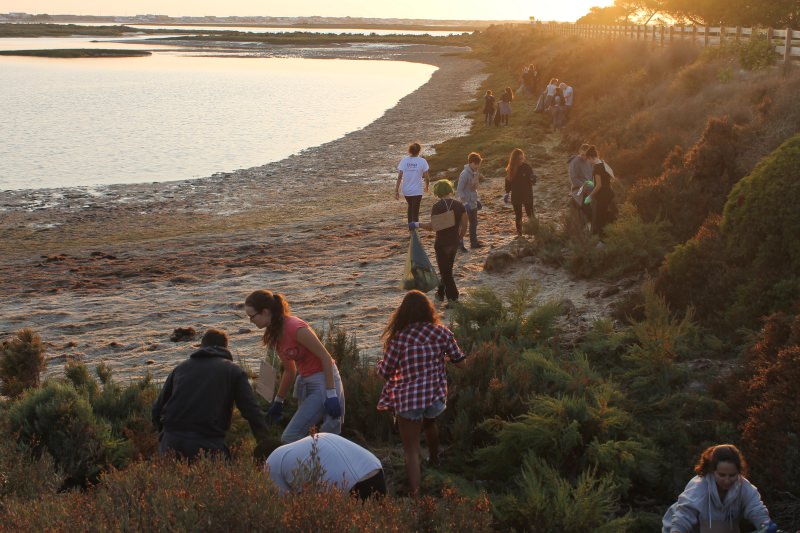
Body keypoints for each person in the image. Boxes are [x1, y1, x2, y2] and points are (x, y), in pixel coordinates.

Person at [377, 290, 466, 496]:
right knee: (430, 423)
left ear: (403, 313)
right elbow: (460, 362)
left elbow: (386, 372)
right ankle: (435, 459)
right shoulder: (441, 332)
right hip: (434, 397)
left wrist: (377, 366)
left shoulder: (400, 339)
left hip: (409, 401)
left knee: (410, 449)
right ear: (429, 310)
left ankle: (416, 494)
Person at [244, 290, 345, 443]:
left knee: (294, 437)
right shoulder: (275, 334)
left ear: (264, 312)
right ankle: (313, 465)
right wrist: (279, 401)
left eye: (251, 316)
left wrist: (331, 394)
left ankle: (322, 465)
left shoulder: (295, 328)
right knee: (305, 436)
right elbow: (290, 371)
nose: (251, 321)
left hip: (324, 381)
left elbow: (325, 357)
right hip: (306, 382)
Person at [152, 328, 268, 461]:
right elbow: (251, 411)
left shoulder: (180, 368)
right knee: (218, 481)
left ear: (201, 346)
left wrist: (163, 435)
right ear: (226, 347)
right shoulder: (233, 371)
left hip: (170, 441)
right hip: (208, 443)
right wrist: (264, 442)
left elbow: (157, 409)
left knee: (171, 481)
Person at [662, 444, 775, 533]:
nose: (727, 480)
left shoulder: (743, 486)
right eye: (722, 475)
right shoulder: (699, 487)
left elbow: (756, 509)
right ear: (712, 471)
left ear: (739, 472)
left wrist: (765, 524)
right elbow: (684, 516)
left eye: (732, 475)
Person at [264, 432, 387, 500]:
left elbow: (284, 504)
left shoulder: (270, 463)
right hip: (374, 469)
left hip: (351, 486)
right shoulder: (299, 448)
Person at [409, 179, 468, 306]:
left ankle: (453, 299)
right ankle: (440, 294)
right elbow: (465, 224)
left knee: (446, 273)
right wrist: (459, 238)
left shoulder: (437, 206)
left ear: (438, 192)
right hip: (454, 243)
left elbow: (432, 226)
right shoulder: (459, 205)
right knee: (446, 270)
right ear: (449, 190)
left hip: (442, 244)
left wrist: (417, 224)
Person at [584, 145, 616, 239]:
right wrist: (590, 183)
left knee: (599, 219)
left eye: (588, 160)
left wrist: (590, 196)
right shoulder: (603, 163)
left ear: (590, 157)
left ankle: (603, 241)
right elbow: (611, 176)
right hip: (610, 193)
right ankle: (613, 235)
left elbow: (599, 185)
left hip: (603, 197)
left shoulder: (596, 168)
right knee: (607, 215)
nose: (588, 162)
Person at [504, 148, 537, 237]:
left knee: (530, 214)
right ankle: (519, 234)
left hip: (527, 194)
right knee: (518, 215)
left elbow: (532, 180)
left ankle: (536, 232)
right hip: (516, 195)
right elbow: (508, 182)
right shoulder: (511, 168)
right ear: (514, 159)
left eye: (522, 158)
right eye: (519, 159)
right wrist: (506, 193)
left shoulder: (527, 167)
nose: (521, 160)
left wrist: (533, 179)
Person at [395, 142, 430, 226]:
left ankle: (411, 228)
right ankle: (414, 230)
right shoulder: (422, 161)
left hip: (406, 190)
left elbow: (399, 177)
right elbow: (427, 178)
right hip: (417, 190)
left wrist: (396, 190)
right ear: (419, 151)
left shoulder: (404, 160)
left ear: (410, 150)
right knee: (415, 210)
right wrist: (426, 187)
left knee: (410, 207)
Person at [456, 151, 484, 250]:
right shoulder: (464, 174)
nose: (478, 167)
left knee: (474, 223)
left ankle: (474, 243)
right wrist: (465, 203)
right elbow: (459, 190)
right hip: (464, 203)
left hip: (473, 202)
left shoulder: (475, 173)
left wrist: (478, 200)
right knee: (463, 225)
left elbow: (475, 187)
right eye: (477, 165)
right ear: (472, 163)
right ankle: (460, 244)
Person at [567, 143, 594, 224]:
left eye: (586, 155)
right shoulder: (574, 162)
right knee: (588, 213)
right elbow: (573, 179)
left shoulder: (589, 161)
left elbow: (592, 175)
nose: (584, 157)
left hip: (591, 190)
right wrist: (584, 185)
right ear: (579, 152)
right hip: (579, 191)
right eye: (582, 155)